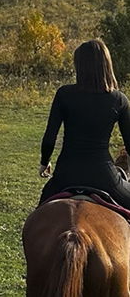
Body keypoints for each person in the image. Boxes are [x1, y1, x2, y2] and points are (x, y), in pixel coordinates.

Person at [38, 39, 130, 207]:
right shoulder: (119, 100)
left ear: (79, 65)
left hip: (66, 174)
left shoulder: (64, 94)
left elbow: (50, 138)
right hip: (104, 178)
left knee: (38, 216)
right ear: (106, 64)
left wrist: (45, 163)